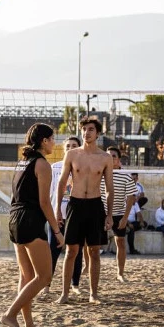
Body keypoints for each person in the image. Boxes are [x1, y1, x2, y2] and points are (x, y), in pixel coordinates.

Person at [2, 123, 63, 327]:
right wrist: (57, 232)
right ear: (44, 141)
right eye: (52, 139)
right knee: (44, 276)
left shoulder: (22, 162)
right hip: (30, 220)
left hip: (15, 219)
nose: (54, 143)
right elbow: (45, 202)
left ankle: (29, 326)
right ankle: (10, 314)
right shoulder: (42, 164)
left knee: (27, 276)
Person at [55, 117, 114, 304]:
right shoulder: (72, 154)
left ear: (97, 133)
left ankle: (93, 295)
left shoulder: (105, 157)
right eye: (84, 129)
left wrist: (109, 215)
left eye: (90, 129)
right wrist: (58, 210)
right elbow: (62, 183)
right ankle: (65, 294)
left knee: (94, 251)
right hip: (75, 204)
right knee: (71, 250)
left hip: (95, 206)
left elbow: (109, 188)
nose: (86, 133)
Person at [44, 136, 83, 295]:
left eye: (74, 146)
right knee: (53, 250)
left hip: (76, 214)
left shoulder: (83, 167)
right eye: (68, 146)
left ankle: (75, 285)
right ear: (63, 148)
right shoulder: (55, 167)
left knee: (77, 251)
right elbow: (49, 192)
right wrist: (53, 212)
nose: (71, 148)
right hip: (57, 214)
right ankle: (46, 285)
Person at [101, 146, 138, 281]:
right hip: (101, 213)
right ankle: (87, 267)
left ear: (118, 160)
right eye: (108, 156)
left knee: (120, 242)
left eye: (113, 156)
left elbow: (131, 197)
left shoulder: (125, 176)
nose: (110, 158)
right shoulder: (99, 174)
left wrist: (125, 218)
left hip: (119, 214)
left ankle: (120, 273)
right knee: (91, 244)